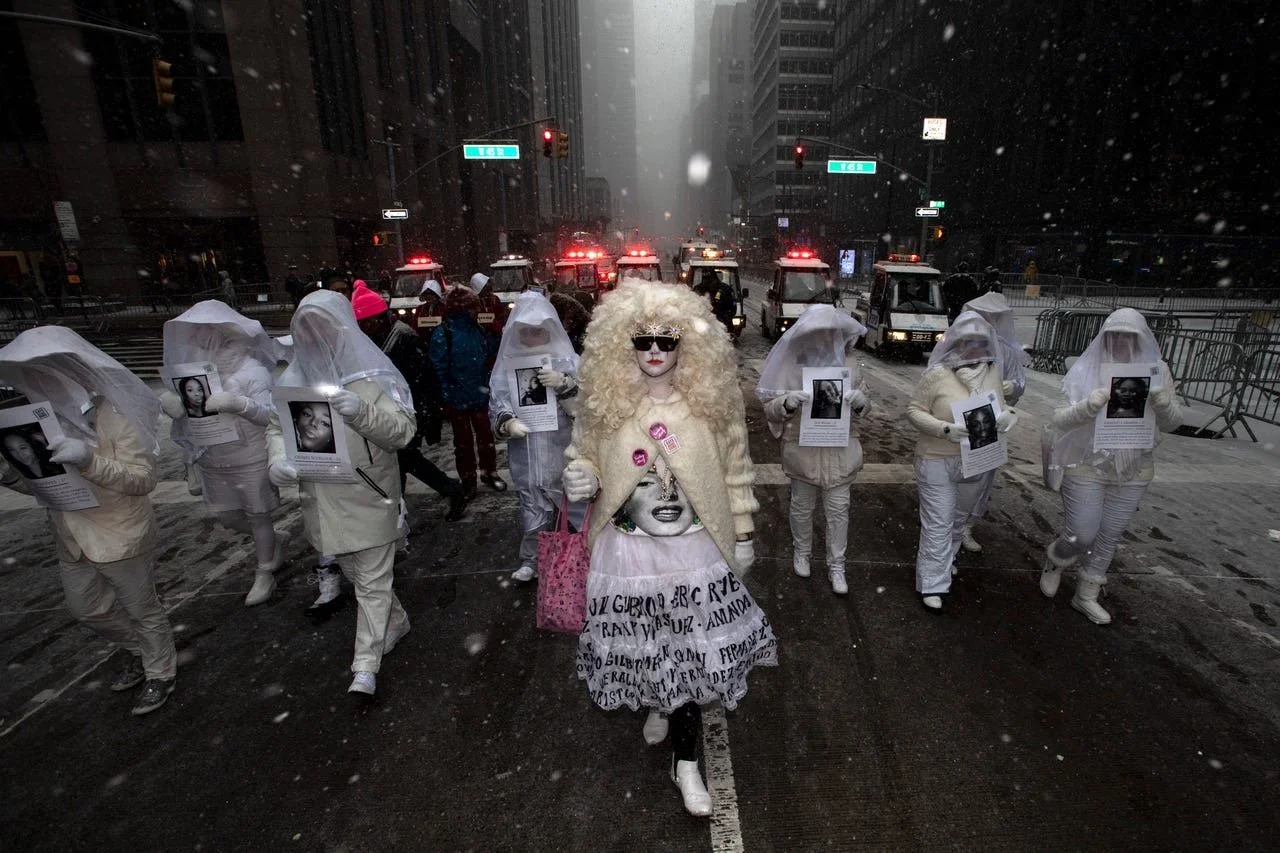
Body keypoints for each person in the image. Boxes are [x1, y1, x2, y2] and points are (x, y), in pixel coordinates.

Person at [562, 281, 776, 818]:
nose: (654, 350)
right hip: (628, 553)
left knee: (686, 657)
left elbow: (736, 473)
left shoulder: (711, 408)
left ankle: (686, 764)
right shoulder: (606, 405)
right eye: (642, 340)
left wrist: (744, 532)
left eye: (666, 339)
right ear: (623, 346)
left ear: (687, 347)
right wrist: (580, 477)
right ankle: (659, 700)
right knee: (650, 644)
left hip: (692, 552)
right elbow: (584, 455)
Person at [0, 326, 177, 716]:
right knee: (87, 609)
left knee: (141, 608)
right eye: (30, 374)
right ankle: (141, 650)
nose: (37, 381)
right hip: (71, 534)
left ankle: (160, 672)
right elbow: (47, 485)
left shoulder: (115, 413)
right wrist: (14, 476)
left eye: (45, 371)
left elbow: (142, 479)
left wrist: (88, 459)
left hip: (121, 532)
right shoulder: (38, 422)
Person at [266, 290, 417, 697]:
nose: (317, 337)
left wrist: (361, 411)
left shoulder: (373, 377)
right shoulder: (295, 379)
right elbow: (276, 428)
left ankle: (365, 666)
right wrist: (277, 460)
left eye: (324, 327)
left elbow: (402, 433)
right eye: (306, 329)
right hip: (322, 502)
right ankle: (395, 619)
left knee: (370, 579)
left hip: (369, 496)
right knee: (357, 574)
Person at [1041, 309, 1182, 624]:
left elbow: (1173, 423)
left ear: (1141, 338)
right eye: (1114, 334)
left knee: (1109, 533)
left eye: (1129, 336)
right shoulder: (1085, 370)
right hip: (1086, 462)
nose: (1120, 341)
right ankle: (1057, 559)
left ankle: (1087, 593)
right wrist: (1088, 407)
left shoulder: (1157, 371)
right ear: (1104, 336)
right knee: (1081, 531)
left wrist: (1162, 403)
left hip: (1134, 466)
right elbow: (1058, 419)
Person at [160, 301, 287, 607]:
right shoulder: (192, 373)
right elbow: (191, 412)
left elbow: (272, 415)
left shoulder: (251, 370)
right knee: (226, 515)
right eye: (198, 335)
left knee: (258, 515)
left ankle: (265, 570)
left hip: (249, 454)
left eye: (208, 334)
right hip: (213, 456)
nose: (202, 341)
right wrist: (177, 408)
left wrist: (239, 404)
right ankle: (273, 540)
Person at [906, 312, 1017, 611]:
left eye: (981, 343)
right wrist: (943, 429)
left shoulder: (992, 372)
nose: (975, 349)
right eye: (969, 342)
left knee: (957, 519)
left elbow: (1001, 407)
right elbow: (914, 411)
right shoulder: (936, 375)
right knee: (938, 522)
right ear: (956, 342)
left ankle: (947, 559)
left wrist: (1007, 418)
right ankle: (933, 583)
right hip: (937, 459)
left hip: (977, 459)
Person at [756, 305, 870, 595]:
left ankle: (837, 565)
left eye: (829, 334)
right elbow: (771, 408)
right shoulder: (791, 364)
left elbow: (868, 406)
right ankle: (801, 552)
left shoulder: (852, 367)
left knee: (838, 511)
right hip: (803, 452)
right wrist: (787, 403)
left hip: (840, 453)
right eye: (817, 334)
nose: (823, 339)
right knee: (801, 507)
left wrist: (860, 402)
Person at [350, 283, 467, 522]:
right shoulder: (378, 336)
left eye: (368, 323)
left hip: (409, 410)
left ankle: (400, 513)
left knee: (403, 459)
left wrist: (427, 413)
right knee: (403, 461)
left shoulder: (402, 337)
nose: (365, 328)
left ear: (381, 317)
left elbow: (424, 379)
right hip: (391, 409)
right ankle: (404, 509)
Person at [489, 292, 585, 582]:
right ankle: (532, 559)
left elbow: (588, 406)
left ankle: (586, 553)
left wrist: (565, 384)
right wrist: (506, 423)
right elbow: (497, 401)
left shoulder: (569, 360)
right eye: (526, 331)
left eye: (538, 331)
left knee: (576, 501)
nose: (532, 337)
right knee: (532, 506)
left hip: (564, 446)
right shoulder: (507, 365)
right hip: (527, 451)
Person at [956, 291, 1032, 552]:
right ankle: (949, 524)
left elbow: (1019, 382)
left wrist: (1012, 389)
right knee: (955, 470)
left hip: (989, 421)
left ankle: (967, 525)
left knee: (983, 475)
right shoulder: (959, 345)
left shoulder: (1007, 352)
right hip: (959, 418)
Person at [428, 285, 507, 498]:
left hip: (478, 395)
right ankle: (469, 479)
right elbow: (439, 368)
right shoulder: (444, 333)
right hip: (458, 398)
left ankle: (488, 473)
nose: (478, 311)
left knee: (485, 438)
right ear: (464, 309)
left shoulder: (477, 329)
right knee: (463, 443)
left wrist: (495, 332)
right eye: (474, 307)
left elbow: (490, 353)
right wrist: (446, 397)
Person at [1, 429, 65, 480]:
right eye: (12, 450)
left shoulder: (55, 462)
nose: (20, 455)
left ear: (32, 446)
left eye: (23, 448)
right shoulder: (16, 471)